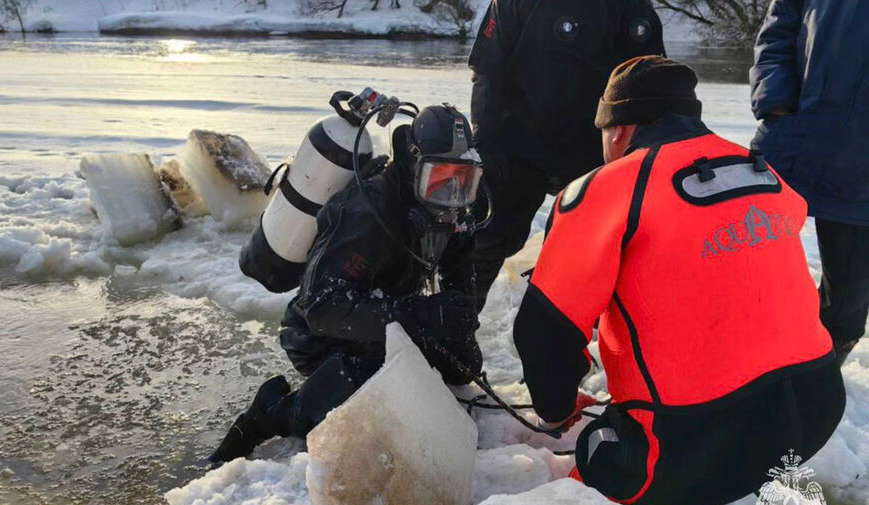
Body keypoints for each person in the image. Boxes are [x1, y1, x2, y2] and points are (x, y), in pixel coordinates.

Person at [513, 56, 845, 505]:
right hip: (818, 410)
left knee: (603, 456)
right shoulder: (762, 172)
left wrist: (556, 409)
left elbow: (544, 332)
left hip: (684, 446)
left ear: (619, 129)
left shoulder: (606, 188)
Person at [210, 105, 484, 463]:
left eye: (463, 181)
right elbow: (322, 308)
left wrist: (458, 321)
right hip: (320, 334)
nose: (451, 193)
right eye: (440, 178)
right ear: (416, 165)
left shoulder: (446, 212)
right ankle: (273, 412)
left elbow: (459, 275)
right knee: (376, 385)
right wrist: (421, 316)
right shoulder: (368, 214)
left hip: (388, 316)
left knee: (463, 366)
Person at [467, 0, 666, 310]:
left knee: (595, 256)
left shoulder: (631, 6)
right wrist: (484, 145)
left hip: (594, 153)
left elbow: (650, 81)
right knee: (485, 242)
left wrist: (645, 152)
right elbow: (488, 71)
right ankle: (454, 333)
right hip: (516, 144)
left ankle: (586, 342)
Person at [751, 0, 869, 367]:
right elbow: (777, 33)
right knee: (745, 256)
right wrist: (776, 103)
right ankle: (742, 354)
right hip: (796, 136)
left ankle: (820, 370)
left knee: (848, 290)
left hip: (859, 165)